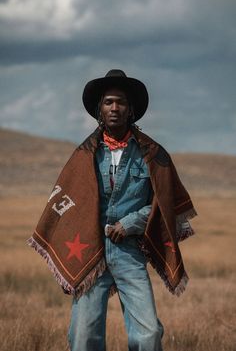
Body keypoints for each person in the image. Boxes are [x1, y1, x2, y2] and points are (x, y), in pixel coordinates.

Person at [28, 69, 197, 351]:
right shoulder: (85, 153)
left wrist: (131, 222)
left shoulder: (153, 154)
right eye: (108, 102)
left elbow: (162, 205)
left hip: (129, 251)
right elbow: (69, 203)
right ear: (100, 109)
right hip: (89, 251)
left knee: (149, 334)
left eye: (120, 102)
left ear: (131, 110)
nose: (114, 108)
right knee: (82, 337)